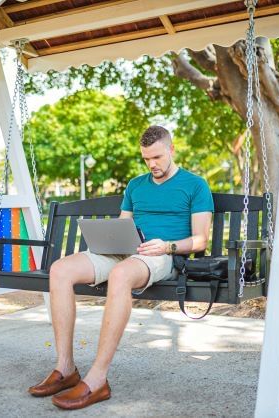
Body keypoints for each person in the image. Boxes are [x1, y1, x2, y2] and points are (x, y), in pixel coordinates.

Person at [29, 125, 214, 410]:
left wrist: (167, 245)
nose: (152, 164)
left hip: (162, 255)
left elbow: (201, 239)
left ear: (171, 150)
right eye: (146, 159)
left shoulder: (195, 185)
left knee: (120, 274)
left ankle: (97, 380)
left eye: (157, 157)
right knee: (60, 270)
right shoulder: (135, 185)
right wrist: (111, 241)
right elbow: (123, 223)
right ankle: (65, 368)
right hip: (125, 250)